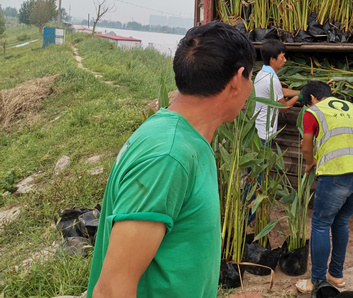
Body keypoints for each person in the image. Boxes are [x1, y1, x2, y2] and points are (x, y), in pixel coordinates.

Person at [87, 22, 256, 298]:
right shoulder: (168, 156)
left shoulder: (184, 140)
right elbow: (111, 290)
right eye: (251, 77)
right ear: (238, 79)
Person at [295, 81, 353, 295]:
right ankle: (336, 275)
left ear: (311, 98)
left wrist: (309, 162)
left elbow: (306, 144)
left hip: (336, 173)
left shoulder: (313, 112)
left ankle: (317, 281)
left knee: (320, 224)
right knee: (341, 222)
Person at [253, 39, 300, 143]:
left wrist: (299, 92)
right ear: (272, 59)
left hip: (258, 126)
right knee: (264, 158)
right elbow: (283, 107)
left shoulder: (261, 73)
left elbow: (279, 91)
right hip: (265, 130)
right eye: (282, 57)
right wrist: (299, 97)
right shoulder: (272, 79)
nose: (285, 60)